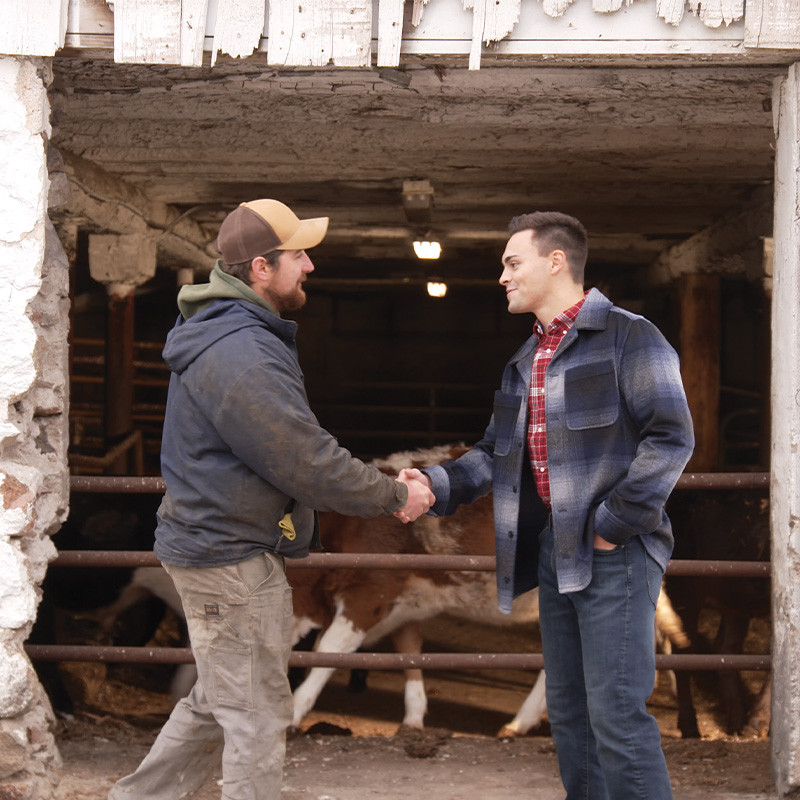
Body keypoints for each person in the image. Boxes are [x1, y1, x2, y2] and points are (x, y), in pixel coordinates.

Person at [107, 199, 434, 800]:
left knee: (220, 698)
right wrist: (391, 494)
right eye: (298, 255)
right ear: (261, 268)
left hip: (226, 545)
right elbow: (302, 457)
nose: (308, 266)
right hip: (227, 556)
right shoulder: (243, 352)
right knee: (257, 711)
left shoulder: (236, 335)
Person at [399, 211, 694, 800]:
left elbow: (672, 438)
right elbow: (493, 455)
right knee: (571, 716)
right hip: (553, 556)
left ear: (555, 261)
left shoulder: (631, 337)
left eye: (512, 263)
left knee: (616, 716)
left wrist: (613, 526)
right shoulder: (525, 360)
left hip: (615, 555)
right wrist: (433, 484)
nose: (503, 277)